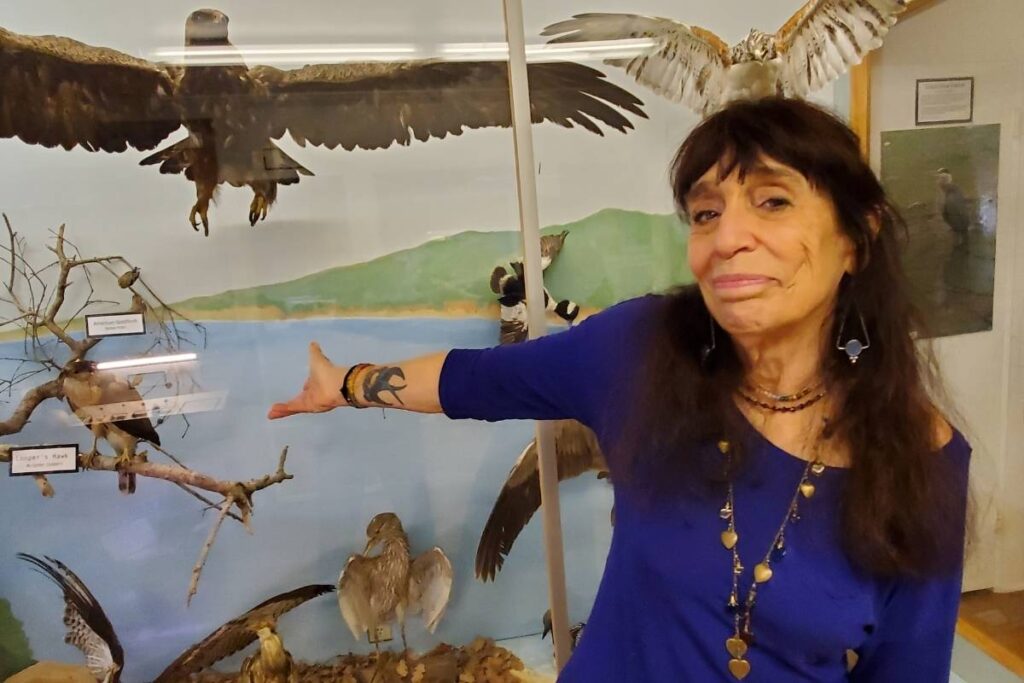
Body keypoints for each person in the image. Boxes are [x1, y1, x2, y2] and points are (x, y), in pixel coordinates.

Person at [268, 97, 971, 682]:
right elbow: (478, 380)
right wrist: (349, 382)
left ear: (858, 238)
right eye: (705, 212)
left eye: (773, 201)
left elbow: (906, 669)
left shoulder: (922, 457)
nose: (728, 237)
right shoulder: (644, 351)